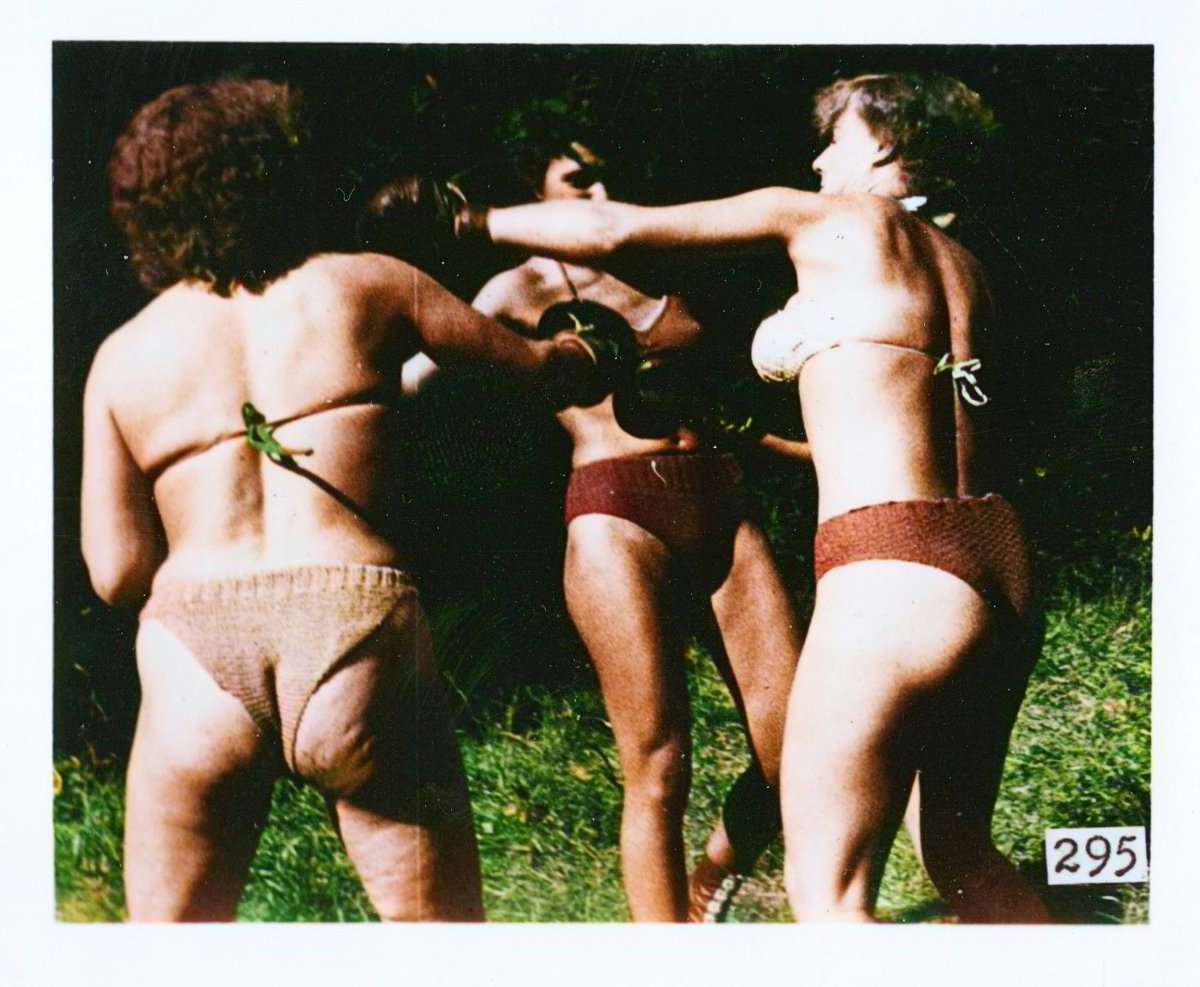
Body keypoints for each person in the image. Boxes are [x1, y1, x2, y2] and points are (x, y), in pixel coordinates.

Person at [438, 72, 1050, 923]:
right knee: (961, 854)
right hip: (1002, 559)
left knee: (828, 897)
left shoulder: (831, 220)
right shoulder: (967, 266)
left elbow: (615, 230)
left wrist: (467, 221)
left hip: (893, 566)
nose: (817, 157)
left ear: (880, 144)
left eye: (835, 140)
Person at [81, 78, 611, 922]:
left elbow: (116, 572)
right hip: (353, 619)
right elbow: (534, 370)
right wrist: (592, 350)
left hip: (192, 648)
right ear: (279, 175)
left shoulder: (123, 355)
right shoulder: (371, 283)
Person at [362, 141, 806, 923]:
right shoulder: (514, 287)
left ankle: (712, 873)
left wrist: (796, 449)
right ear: (534, 192)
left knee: (796, 752)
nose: (602, 185)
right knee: (659, 764)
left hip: (718, 496)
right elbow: (404, 378)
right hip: (615, 509)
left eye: (605, 171)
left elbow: (712, 396)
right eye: (578, 177)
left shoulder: (658, 256)